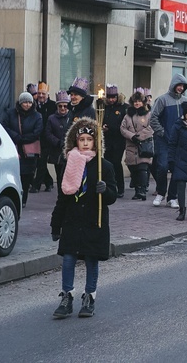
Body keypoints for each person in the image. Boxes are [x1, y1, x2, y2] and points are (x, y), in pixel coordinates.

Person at [50, 117, 117, 319]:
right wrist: (56, 224)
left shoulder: (103, 166)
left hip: (92, 221)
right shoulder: (68, 164)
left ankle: (89, 296)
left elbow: (113, 196)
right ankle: (67, 296)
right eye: (82, 139)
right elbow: (62, 198)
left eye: (89, 139)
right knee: (69, 259)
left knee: (91, 259)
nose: (85, 143)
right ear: (75, 141)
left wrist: (105, 190)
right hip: (72, 221)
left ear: (95, 142)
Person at [149, 74, 187, 208]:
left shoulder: (185, 101)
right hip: (163, 140)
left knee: (176, 169)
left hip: (179, 141)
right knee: (162, 166)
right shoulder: (162, 100)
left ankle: (172, 197)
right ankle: (161, 192)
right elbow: (153, 117)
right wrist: (161, 132)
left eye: (183, 86)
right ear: (173, 85)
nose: (180, 88)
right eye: (179, 85)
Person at [2, 92, 44, 208]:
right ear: (20, 103)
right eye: (25, 102)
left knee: (27, 177)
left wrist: (23, 139)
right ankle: (15, 198)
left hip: (29, 152)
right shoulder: (11, 113)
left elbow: (37, 132)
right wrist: (16, 137)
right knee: (14, 175)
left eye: (30, 102)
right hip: (14, 148)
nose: (27, 105)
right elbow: (5, 126)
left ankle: (23, 199)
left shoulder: (37, 116)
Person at [120, 89, 154, 201]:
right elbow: (123, 128)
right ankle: (137, 190)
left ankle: (142, 191)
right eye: (135, 101)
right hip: (131, 146)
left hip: (144, 145)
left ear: (143, 102)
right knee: (133, 169)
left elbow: (151, 128)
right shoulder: (127, 115)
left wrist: (139, 136)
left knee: (142, 168)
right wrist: (132, 136)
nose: (137, 103)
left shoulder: (148, 114)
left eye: (139, 101)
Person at [45, 91, 73, 196]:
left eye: (65, 106)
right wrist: (58, 142)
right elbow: (48, 134)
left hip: (69, 150)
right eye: (60, 106)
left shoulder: (71, 117)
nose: (62, 108)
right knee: (60, 175)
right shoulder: (52, 118)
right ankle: (61, 195)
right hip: (57, 152)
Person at [102, 84, 127, 199]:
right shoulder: (103, 107)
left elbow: (123, 125)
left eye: (113, 97)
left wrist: (110, 128)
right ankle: (109, 185)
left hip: (118, 140)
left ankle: (120, 187)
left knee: (116, 163)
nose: (111, 100)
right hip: (107, 140)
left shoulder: (123, 108)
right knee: (107, 163)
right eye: (109, 97)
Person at [32, 81, 56, 193]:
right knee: (38, 162)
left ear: (47, 94)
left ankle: (36, 185)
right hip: (36, 138)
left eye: (43, 93)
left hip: (47, 139)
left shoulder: (53, 105)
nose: (41, 96)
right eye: (39, 93)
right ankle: (49, 181)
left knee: (41, 162)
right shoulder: (33, 105)